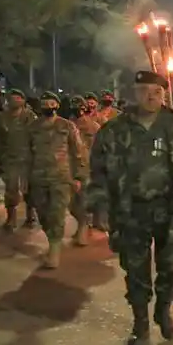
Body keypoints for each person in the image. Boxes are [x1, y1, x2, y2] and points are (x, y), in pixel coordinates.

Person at [87, 71, 173, 345]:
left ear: (164, 94)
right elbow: (98, 170)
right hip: (130, 212)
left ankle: (163, 311)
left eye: (156, 91)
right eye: (143, 90)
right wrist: (99, 206)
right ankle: (140, 323)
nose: (150, 96)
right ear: (134, 93)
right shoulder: (114, 130)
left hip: (170, 210)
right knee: (136, 272)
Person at [27, 91, 88, 269]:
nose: (48, 107)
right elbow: (26, 153)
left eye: (51, 103)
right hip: (38, 178)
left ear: (57, 106)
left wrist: (78, 177)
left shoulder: (67, 126)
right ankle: (52, 239)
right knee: (43, 214)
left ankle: (54, 251)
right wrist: (25, 177)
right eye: (45, 104)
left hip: (61, 177)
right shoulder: (33, 127)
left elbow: (79, 152)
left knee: (57, 213)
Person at [0, 89, 37, 230]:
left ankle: (30, 216)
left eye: (18, 97)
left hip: (28, 160)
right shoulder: (2, 117)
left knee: (29, 189)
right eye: (12, 98)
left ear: (23, 100)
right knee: (11, 190)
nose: (15, 100)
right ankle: (11, 218)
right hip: (10, 159)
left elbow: (37, 138)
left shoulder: (30, 116)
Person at [69, 95, 102, 245]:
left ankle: (83, 227)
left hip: (87, 167)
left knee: (83, 200)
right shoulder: (67, 126)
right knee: (71, 203)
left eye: (80, 107)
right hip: (69, 167)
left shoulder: (94, 127)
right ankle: (83, 224)